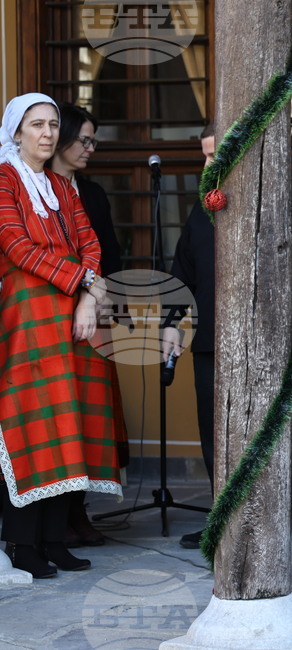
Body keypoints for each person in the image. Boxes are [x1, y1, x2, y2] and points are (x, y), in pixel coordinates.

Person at [163, 123, 292, 546]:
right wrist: (171, 322)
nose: (211, 164)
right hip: (212, 338)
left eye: (217, 155)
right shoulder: (206, 204)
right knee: (216, 431)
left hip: (274, 335)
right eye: (205, 156)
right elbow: (182, 270)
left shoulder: (288, 195)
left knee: (290, 423)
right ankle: (222, 516)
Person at [0, 93, 122, 578]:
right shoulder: (5, 178)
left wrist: (90, 297)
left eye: (53, 124)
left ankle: (54, 539)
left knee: (71, 423)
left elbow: (89, 242)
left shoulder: (63, 185)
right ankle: (21, 542)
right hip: (29, 315)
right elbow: (15, 244)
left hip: (75, 316)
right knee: (34, 421)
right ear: (17, 132)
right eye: (37, 125)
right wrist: (82, 283)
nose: (48, 133)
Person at [48, 102, 127, 549]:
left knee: (88, 415)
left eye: (94, 140)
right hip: (52, 311)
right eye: (84, 139)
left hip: (93, 311)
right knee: (61, 412)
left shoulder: (91, 192)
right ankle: (59, 516)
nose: (90, 148)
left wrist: (103, 296)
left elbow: (108, 250)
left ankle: (79, 511)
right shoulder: (35, 185)